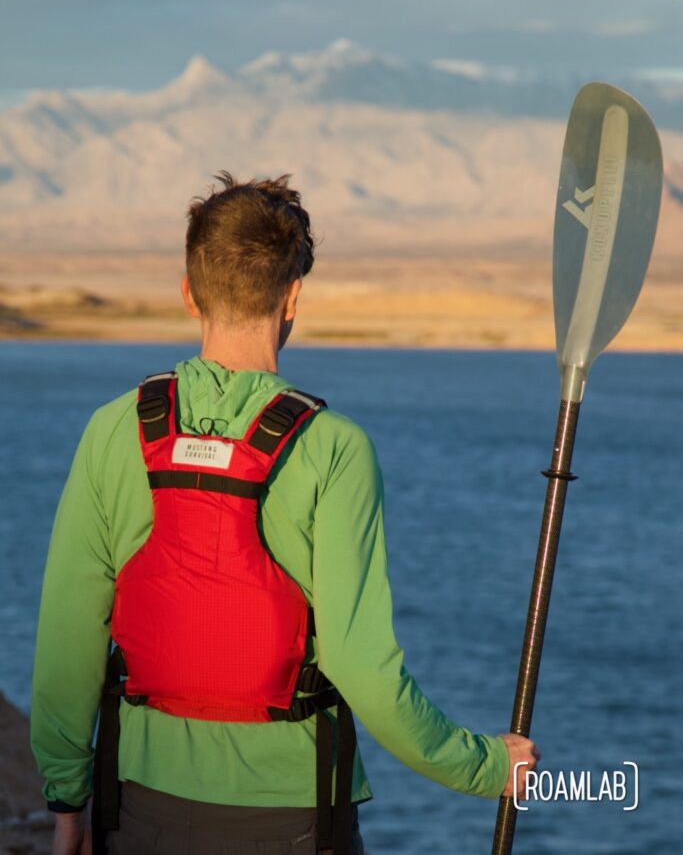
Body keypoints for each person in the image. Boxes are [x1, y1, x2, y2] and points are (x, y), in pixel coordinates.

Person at [31, 173, 540, 855]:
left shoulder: (112, 430)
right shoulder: (334, 449)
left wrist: (69, 803)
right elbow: (364, 670)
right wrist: (481, 765)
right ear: (293, 295)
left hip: (137, 808)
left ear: (188, 292)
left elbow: (66, 641)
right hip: (294, 818)